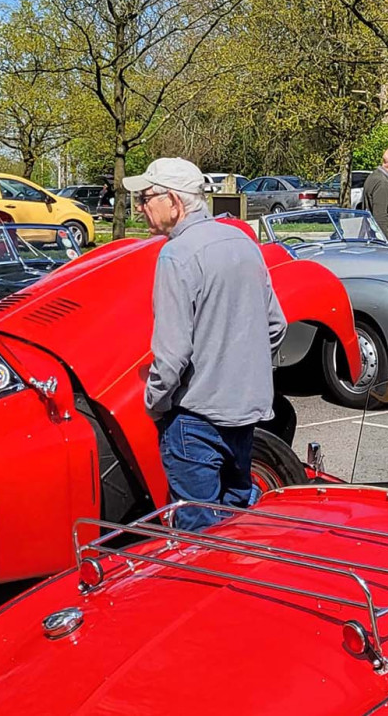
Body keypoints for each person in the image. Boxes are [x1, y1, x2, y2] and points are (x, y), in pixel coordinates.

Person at [126, 157, 286, 532]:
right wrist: (242, 369)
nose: (140, 207)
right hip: (244, 413)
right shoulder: (242, 241)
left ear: (174, 202)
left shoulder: (176, 255)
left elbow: (172, 354)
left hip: (194, 418)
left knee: (196, 536)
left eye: (146, 197)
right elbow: (276, 326)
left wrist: (155, 404)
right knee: (234, 525)